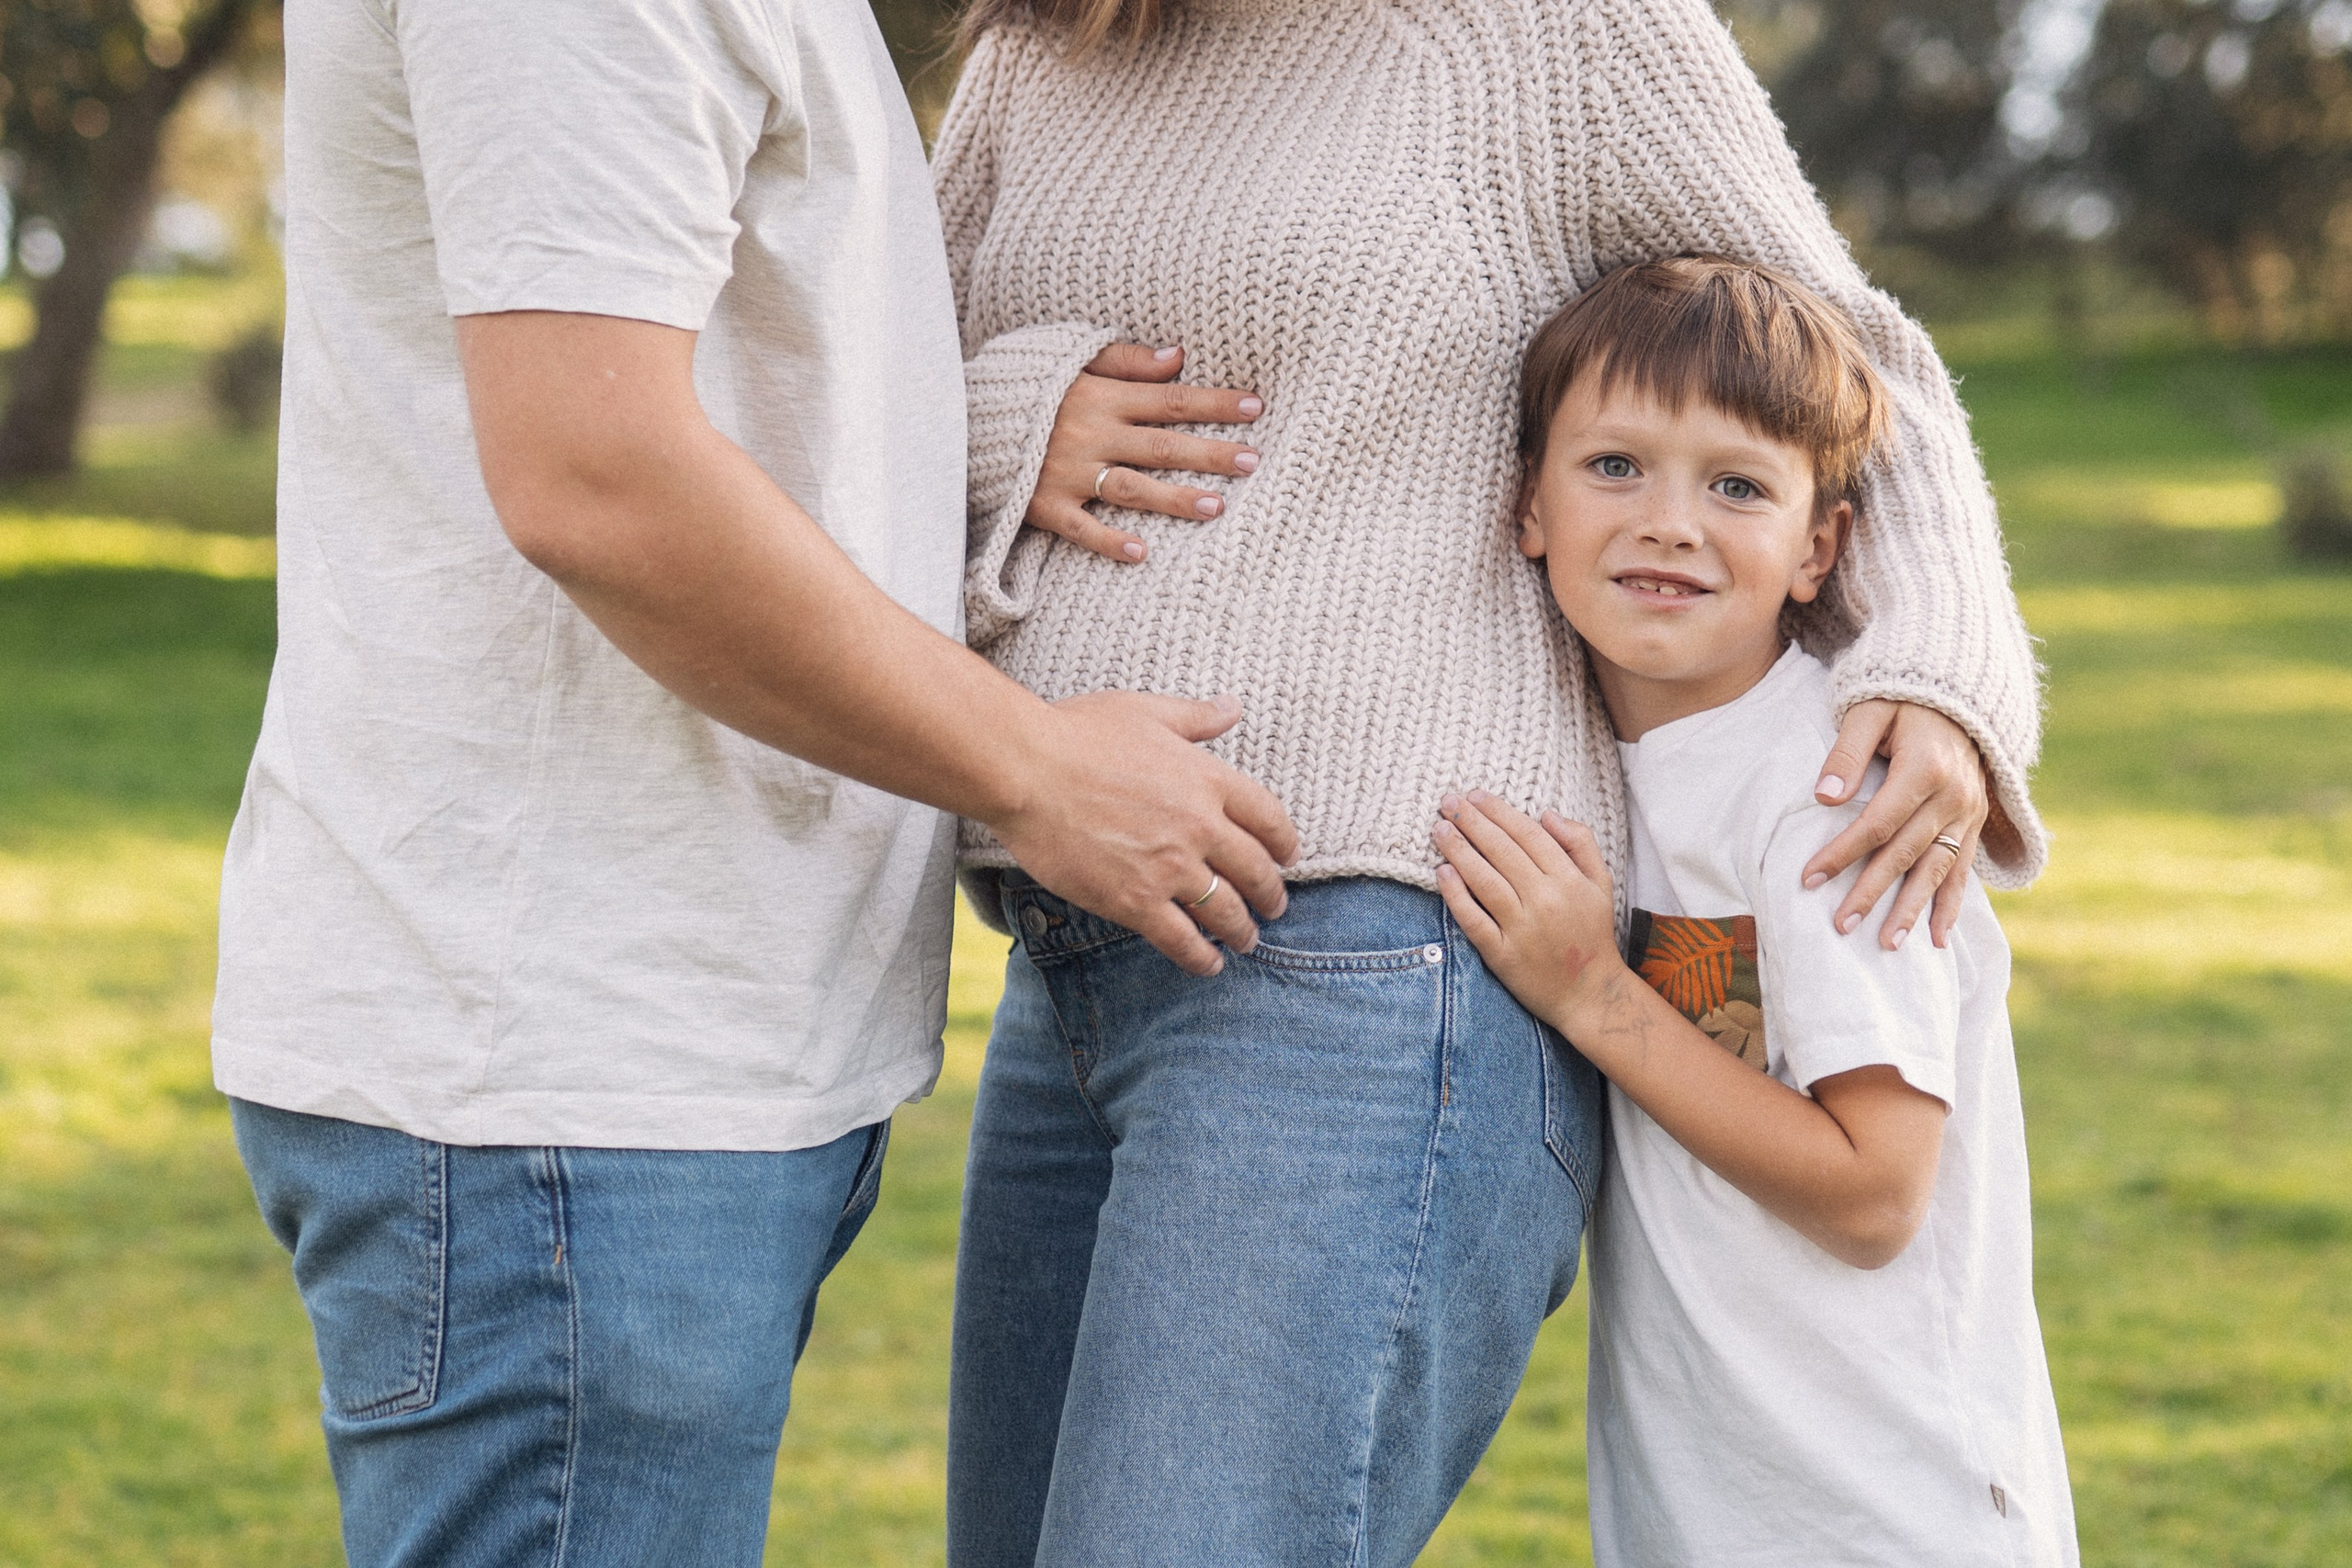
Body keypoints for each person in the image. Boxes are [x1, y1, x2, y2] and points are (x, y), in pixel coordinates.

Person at [935, 0, 2049, 1563]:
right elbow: (852, 379)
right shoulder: (1036, 52)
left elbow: (1846, 358)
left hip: (1365, 944)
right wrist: (1007, 422)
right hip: (1069, 940)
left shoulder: (1554, 31)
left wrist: (1931, 671)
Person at [210, 1, 1296, 1562]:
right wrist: (1038, 768)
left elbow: (711, 359)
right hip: (564, 1072)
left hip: (648, 1062)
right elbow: (598, 478)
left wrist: (969, 436)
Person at [1431, 254, 2076, 1566]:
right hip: (1716, 1503)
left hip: (1885, 1513)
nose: (1672, 522)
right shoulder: (1620, 764)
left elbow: (1876, 1193)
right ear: (1528, 506)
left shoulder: (1828, 793)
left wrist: (1594, 995)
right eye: (1617, 467)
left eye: (1736, 486)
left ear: (1817, 548)